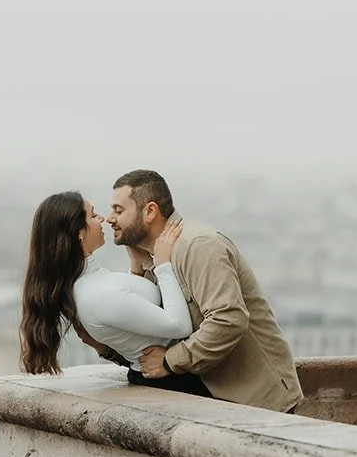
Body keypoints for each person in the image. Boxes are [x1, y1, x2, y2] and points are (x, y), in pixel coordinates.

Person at [108, 169, 302, 413]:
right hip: (217, 395)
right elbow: (147, 334)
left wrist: (169, 361)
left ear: (150, 211)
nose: (109, 218)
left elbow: (228, 319)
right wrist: (137, 270)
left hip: (256, 400)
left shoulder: (198, 246)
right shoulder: (152, 257)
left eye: (118, 210)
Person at [18, 191, 212, 396]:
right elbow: (180, 325)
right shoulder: (96, 295)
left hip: (168, 377)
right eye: (93, 216)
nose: (102, 219)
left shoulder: (89, 284)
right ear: (78, 232)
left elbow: (126, 313)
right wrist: (163, 264)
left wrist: (135, 270)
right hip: (177, 383)